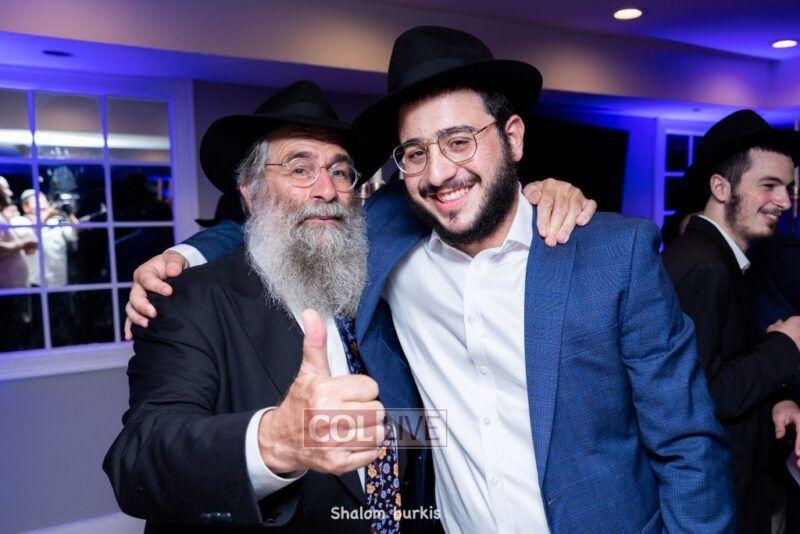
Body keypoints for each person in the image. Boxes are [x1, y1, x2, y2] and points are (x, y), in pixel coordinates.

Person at [127, 27, 734, 533]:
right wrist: (184, 253)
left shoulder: (608, 253)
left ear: (513, 138)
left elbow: (689, 447)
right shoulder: (387, 241)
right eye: (415, 152)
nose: (439, 172)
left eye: (460, 141)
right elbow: (285, 226)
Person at [106, 80, 588, 533]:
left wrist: (539, 193)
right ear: (251, 194)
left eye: (340, 171)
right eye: (300, 169)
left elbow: (468, 190)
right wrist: (277, 441)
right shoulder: (190, 299)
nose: (326, 189)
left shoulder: (379, 275)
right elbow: (136, 462)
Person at [661, 109, 800, 533]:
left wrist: (777, 401)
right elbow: (698, 397)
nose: (785, 201)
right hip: (714, 502)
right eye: (769, 186)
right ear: (721, 188)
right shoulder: (704, 266)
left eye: (788, 188)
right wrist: (785, 347)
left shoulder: (722, 260)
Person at [12, 189, 77, 286]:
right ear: (25, 207)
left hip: (59, 281)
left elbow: (74, 235)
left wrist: (70, 214)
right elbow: (28, 238)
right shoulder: (19, 221)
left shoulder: (56, 221)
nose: (43, 204)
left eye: (44, 200)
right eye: (37, 201)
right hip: (35, 282)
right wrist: (47, 214)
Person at [0, 176, 36, 288]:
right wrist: (24, 243)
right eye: (5, 189)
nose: (10, 193)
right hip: (8, 291)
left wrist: (20, 247)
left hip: (16, 288)